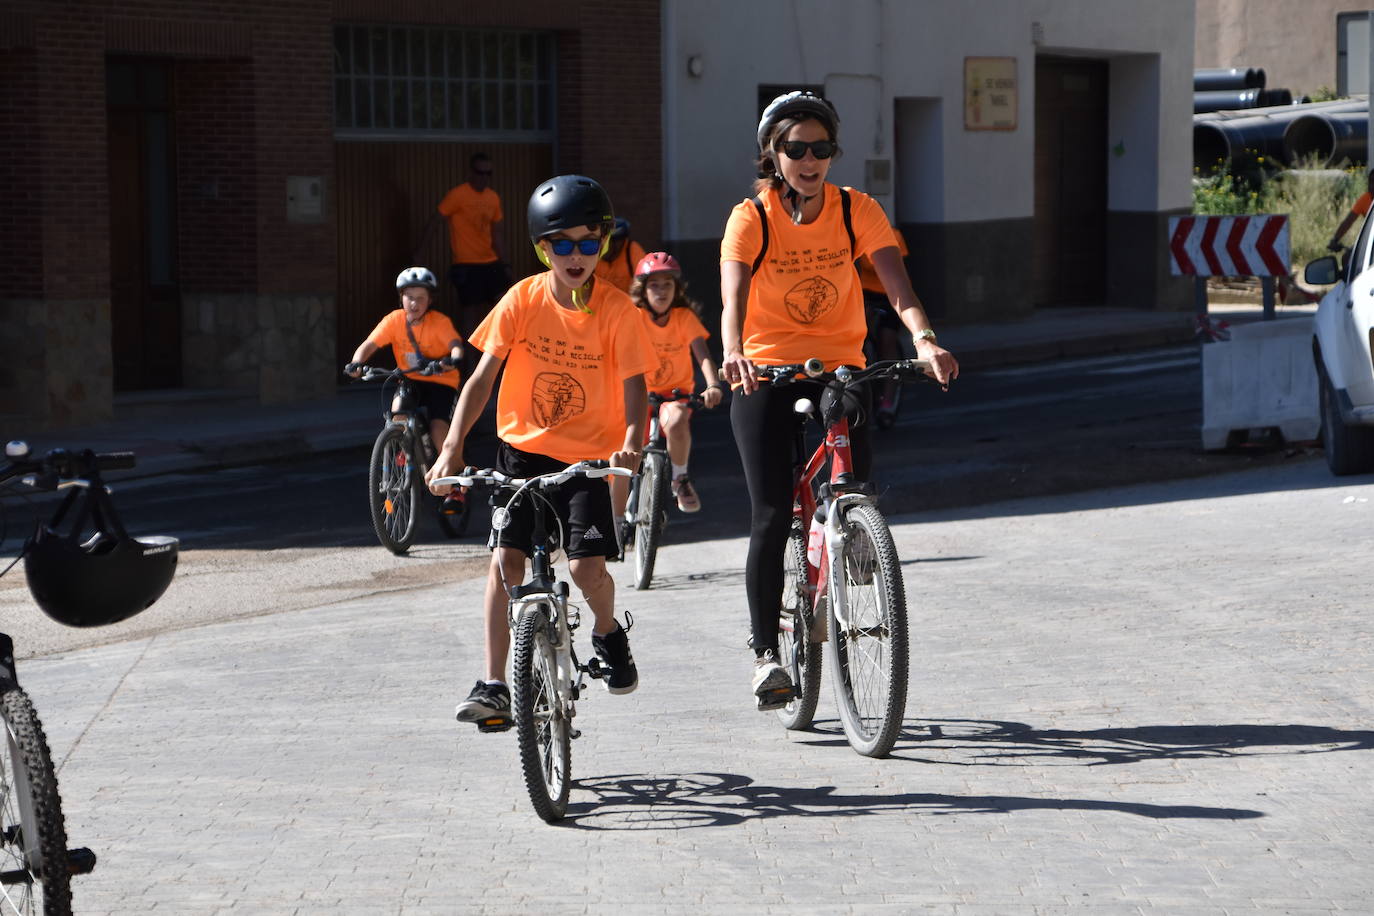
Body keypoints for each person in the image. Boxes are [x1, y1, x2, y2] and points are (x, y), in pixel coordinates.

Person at [718, 90, 959, 710]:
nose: (809, 159)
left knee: (854, 470)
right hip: (765, 370)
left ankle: (851, 533)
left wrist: (926, 341)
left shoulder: (857, 210)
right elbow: (733, 300)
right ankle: (766, 656)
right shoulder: (751, 217)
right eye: (795, 148)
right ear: (773, 154)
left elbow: (900, 288)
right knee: (772, 512)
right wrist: (735, 352)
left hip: (840, 364)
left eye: (820, 148)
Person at [426, 175, 656, 730]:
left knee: (584, 567)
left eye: (587, 242)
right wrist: (451, 449)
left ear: (602, 244)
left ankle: (607, 631)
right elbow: (481, 379)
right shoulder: (523, 299)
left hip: (589, 460)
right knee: (504, 562)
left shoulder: (618, 310)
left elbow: (635, 387)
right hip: (521, 456)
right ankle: (495, 682)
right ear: (541, 248)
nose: (575, 255)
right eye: (561, 244)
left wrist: (630, 443)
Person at [345, 267, 466, 512]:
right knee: (397, 414)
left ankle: (455, 486)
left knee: (438, 429)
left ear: (430, 300)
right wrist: (356, 363)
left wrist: (453, 358)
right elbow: (370, 343)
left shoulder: (439, 322)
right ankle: (401, 446)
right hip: (410, 379)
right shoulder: (393, 320)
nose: (415, 303)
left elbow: (455, 345)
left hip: (441, 381)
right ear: (401, 298)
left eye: (421, 298)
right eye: (409, 296)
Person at [626, 251, 724, 515]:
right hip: (639, 395)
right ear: (643, 290)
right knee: (626, 447)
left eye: (667, 284)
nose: (661, 291)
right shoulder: (633, 317)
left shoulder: (683, 318)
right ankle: (615, 506)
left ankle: (680, 478)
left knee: (678, 418)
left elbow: (702, 354)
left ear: (676, 289)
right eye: (654, 285)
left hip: (675, 394)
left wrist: (713, 385)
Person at [418, 152, 511, 342]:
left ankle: (496, 352)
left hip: (490, 261)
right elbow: (435, 221)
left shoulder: (493, 198)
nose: (484, 177)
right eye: (480, 172)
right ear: (471, 172)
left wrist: (506, 264)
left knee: (504, 303)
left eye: (488, 173)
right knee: (470, 312)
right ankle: (470, 364)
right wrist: (420, 251)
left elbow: (498, 234)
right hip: (466, 263)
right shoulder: (457, 195)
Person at [857, 224, 910, 426]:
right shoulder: (853, 236)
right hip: (863, 292)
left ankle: (887, 400)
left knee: (887, 340)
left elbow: (898, 270)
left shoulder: (893, 235)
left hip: (888, 293)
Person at [593, 217, 647, 294]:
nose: (607, 246)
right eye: (604, 240)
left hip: (628, 302)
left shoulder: (631, 249)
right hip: (599, 303)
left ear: (622, 242)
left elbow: (644, 279)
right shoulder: (591, 253)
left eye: (617, 240)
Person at [1327, 169, 1374, 254]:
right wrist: (1335, 239)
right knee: (1347, 257)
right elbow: (1348, 221)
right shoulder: (1365, 199)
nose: (1371, 186)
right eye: (1370, 182)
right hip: (1371, 242)